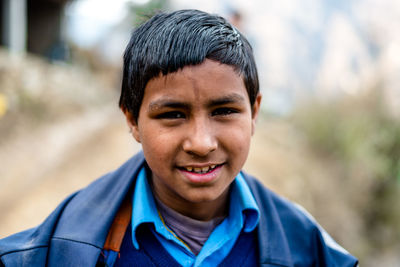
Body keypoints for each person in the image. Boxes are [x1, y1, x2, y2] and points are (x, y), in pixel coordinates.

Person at [0, 9, 358, 267]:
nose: (201, 143)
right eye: (172, 115)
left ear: (255, 113)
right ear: (132, 120)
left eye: (224, 111)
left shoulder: (307, 248)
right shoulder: (57, 252)